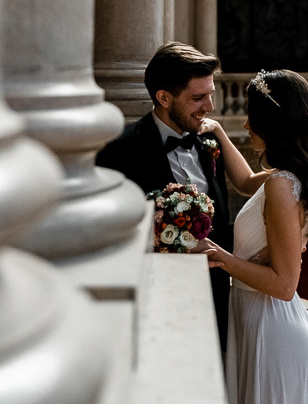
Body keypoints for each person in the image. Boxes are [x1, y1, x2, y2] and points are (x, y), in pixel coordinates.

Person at [196, 69, 308, 404]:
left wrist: (220, 257)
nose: (247, 125)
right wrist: (218, 131)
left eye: (252, 117)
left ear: (272, 122)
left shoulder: (283, 185)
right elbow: (243, 180)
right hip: (258, 320)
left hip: (272, 328)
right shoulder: (284, 177)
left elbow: (284, 285)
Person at [95, 42, 233, 348]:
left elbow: (223, 224)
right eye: (198, 98)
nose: (209, 107)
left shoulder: (209, 142)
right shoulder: (120, 149)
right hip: (153, 304)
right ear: (164, 98)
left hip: (214, 303)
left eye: (210, 94)